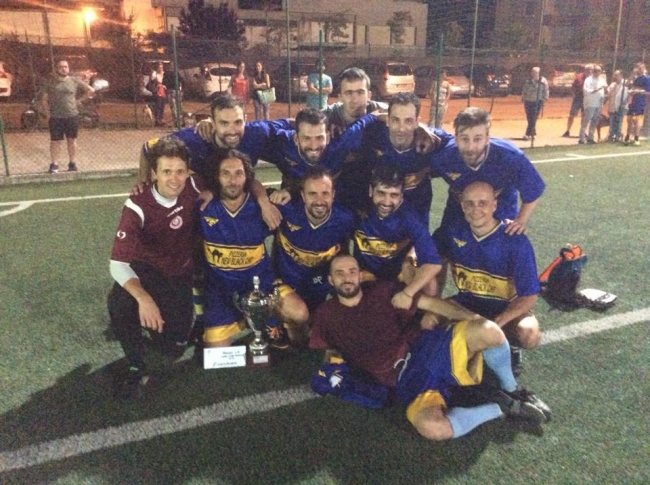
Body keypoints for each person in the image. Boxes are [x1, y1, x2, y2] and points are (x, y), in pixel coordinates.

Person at [309, 254, 551, 441]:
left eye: (352, 271)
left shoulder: (383, 290)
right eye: (339, 273)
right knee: (432, 428)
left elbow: (433, 304)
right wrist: (331, 368)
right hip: (404, 380)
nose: (347, 277)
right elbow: (330, 351)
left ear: (359, 275)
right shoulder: (325, 315)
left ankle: (513, 389)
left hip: (425, 348)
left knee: (489, 331)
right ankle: (501, 408)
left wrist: (475, 319)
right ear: (331, 280)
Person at [107, 137, 200, 399]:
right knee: (119, 303)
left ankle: (159, 324)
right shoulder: (138, 204)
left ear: (188, 172)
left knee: (174, 346)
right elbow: (118, 264)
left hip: (179, 275)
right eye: (167, 171)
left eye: (180, 171)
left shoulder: (194, 186)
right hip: (146, 272)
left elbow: (234, 182)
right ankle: (136, 362)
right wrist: (143, 299)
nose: (174, 179)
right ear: (154, 174)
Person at [198, 150, 307, 349]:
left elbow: (301, 207)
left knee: (299, 314)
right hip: (221, 292)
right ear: (217, 177)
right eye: (226, 173)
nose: (233, 180)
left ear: (247, 176)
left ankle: (271, 321)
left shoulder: (262, 207)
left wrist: (281, 195)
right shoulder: (204, 207)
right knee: (218, 354)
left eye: (238, 173)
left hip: (261, 285)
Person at [434, 181, 542, 376]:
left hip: (505, 308)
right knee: (428, 320)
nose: (476, 210)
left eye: (482, 203)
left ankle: (511, 347)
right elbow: (428, 258)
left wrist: (498, 322)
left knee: (529, 334)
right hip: (466, 303)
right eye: (470, 204)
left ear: (494, 205)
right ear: (462, 206)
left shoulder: (514, 240)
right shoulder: (450, 232)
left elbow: (529, 296)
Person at [138, 93, 291, 229]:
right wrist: (143, 182)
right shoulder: (193, 139)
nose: (232, 130)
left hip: (234, 193)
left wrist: (264, 201)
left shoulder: (257, 133)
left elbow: (293, 123)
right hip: (203, 200)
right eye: (224, 123)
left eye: (237, 122)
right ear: (213, 122)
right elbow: (147, 148)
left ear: (245, 119)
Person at [430, 107, 545, 236]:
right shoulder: (444, 157)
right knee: (444, 244)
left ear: (487, 138)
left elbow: (533, 189)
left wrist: (520, 221)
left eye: (477, 139)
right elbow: (423, 170)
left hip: (500, 214)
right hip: (458, 215)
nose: (470, 147)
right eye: (464, 139)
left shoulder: (509, 156)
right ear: (456, 138)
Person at [272, 168, 355, 342]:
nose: (319, 201)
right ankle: (283, 322)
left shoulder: (345, 218)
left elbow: (347, 247)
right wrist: (264, 201)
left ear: (333, 195)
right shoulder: (286, 209)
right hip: (284, 281)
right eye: (312, 194)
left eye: (325, 193)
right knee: (299, 320)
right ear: (302, 196)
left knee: (325, 331)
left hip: (318, 284)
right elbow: (252, 192)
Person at [356, 92, 450, 226]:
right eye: (395, 120)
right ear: (387, 120)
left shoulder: (432, 139)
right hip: (380, 212)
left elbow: (459, 144)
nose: (401, 128)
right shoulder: (374, 134)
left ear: (417, 122)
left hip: (416, 212)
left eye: (408, 121)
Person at [353, 164, 442, 303]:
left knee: (430, 284)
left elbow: (433, 263)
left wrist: (408, 293)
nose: (386, 202)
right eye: (381, 193)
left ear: (401, 195)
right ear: (371, 190)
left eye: (393, 195)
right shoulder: (357, 207)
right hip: (363, 273)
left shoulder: (410, 217)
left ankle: (424, 315)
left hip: (396, 274)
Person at [35, 58, 95, 173]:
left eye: (65, 67)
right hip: (56, 117)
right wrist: (47, 113)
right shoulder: (50, 82)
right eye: (61, 67)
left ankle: (72, 163)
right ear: (56, 69)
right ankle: (54, 164)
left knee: (71, 140)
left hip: (72, 115)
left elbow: (90, 90)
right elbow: (44, 99)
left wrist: (79, 101)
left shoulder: (74, 81)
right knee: (55, 141)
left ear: (68, 69)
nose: (63, 69)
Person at [579, 64, 608, 144]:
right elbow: (586, 91)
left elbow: (606, 88)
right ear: (593, 71)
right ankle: (581, 138)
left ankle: (590, 137)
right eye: (596, 71)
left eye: (599, 71)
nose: (598, 72)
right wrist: (596, 89)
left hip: (599, 104)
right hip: (590, 103)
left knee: (595, 121)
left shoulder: (602, 79)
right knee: (586, 121)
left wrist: (606, 92)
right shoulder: (588, 80)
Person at [623, 62, 650, 146]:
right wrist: (632, 75)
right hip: (632, 101)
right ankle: (627, 136)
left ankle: (636, 138)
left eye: (640, 68)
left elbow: (647, 91)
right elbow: (626, 84)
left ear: (643, 69)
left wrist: (637, 91)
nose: (638, 70)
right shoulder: (635, 78)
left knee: (637, 120)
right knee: (629, 119)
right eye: (637, 68)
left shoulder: (646, 78)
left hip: (640, 101)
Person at [562, 64, 591, 138]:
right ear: (585, 70)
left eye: (590, 70)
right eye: (587, 70)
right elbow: (573, 87)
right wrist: (573, 94)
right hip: (578, 99)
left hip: (587, 99)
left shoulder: (592, 79)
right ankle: (567, 131)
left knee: (584, 116)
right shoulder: (579, 77)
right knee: (572, 115)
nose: (589, 71)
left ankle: (582, 132)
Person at [521, 67, 549, 141]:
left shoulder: (543, 81)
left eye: (535, 72)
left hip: (537, 101)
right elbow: (524, 89)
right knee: (529, 118)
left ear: (539, 73)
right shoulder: (528, 80)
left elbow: (546, 90)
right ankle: (533, 133)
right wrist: (523, 97)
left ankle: (528, 134)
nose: (533, 74)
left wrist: (545, 98)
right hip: (528, 100)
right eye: (532, 72)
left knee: (533, 118)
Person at [605, 69, 629, 143]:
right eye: (614, 75)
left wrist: (626, 102)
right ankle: (611, 135)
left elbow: (629, 94)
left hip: (621, 106)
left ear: (621, 75)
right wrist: (610, 90)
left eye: (616, 75)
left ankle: (618, 136)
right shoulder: (612, 85)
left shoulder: (626, 83)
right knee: (612, 122)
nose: (615, 76)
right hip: (612, 106)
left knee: (619, 122)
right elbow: (608, 95)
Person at [162, 61, 184, 127]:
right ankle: (181, 121)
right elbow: (182, 81)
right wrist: (182, 90)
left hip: (171, 91)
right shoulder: (177, 73)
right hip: (177, 91)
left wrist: (167, 84)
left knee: (174, 108)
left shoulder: (167, 73)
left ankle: (177, 122)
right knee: (179, 107)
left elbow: (164, 82)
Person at [150, 62, 166, 127]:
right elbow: (152, 81)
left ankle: (161, 119)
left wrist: (163, 84)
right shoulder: (155, 73)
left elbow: (165, 81)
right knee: (158, 105)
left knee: (162, 105)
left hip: (163, 90)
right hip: (157, 90)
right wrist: (157, 82)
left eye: (161, 67)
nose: (161, 69)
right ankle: (157, 120)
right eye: (159, 67)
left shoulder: (164, 73)